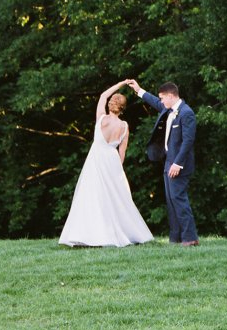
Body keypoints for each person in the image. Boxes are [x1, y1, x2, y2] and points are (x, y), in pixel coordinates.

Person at [58, 80, 155, 248]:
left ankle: (90, 235)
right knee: (115, 198)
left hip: (97, 159)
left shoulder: (101, 118)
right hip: (112, 162)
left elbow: (103, 95)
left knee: (92, 195)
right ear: (123, 108)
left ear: (111, 105)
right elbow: (122, 152)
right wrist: (119, 171)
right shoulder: (124, 126)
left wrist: (122, 83)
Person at [131, 79, 198, 246]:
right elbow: (154, 101)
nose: (160, 101)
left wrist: (178, 164)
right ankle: (175, 239)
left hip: (178, 164)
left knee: (178, 198)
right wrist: (139, 90)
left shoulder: (186, 113)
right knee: (170, 200)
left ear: (171, 96)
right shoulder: (168, 109)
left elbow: (188, 141)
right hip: (168, 161)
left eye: (162, 98)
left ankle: (190, 238)